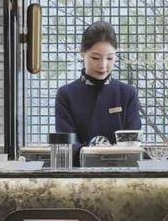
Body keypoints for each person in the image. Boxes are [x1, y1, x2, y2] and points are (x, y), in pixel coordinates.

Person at [55, 21, 141, 162]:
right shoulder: (66, 95)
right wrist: (95, 152)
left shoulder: (127, 93)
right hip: (79, 172)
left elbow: (133, 144)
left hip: (122, 170)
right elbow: (67, 145)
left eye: (110, 58)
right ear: (82, 52)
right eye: (95, 58)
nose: (103, 65)